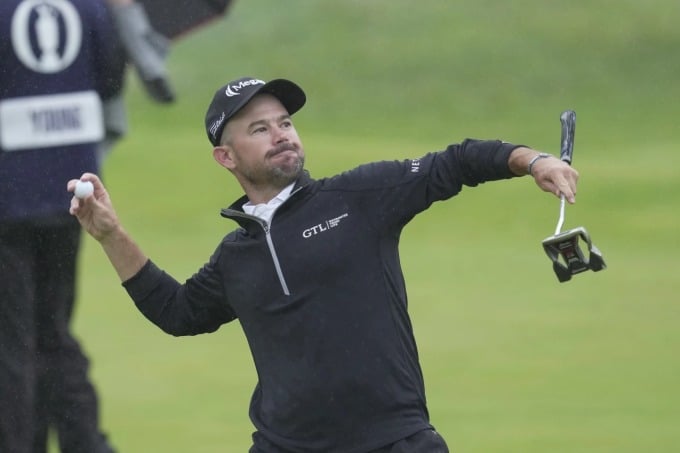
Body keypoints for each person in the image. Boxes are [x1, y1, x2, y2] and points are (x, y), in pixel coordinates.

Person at [68, 76, 579, 452]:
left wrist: (532, 161)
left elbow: (457, 162)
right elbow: (177, 312)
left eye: (286, 123)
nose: (283, 134)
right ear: (227, 158)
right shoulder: (235, 256)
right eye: (261, 129)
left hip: (394, 440)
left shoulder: (357, 197)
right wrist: (111, 235)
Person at [0, 0, 124, 452]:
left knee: (11, 342)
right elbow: (111, 75)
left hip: (7, 198)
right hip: (73, 193)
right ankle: (85, 442)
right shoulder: (90, 6)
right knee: (53, 328)